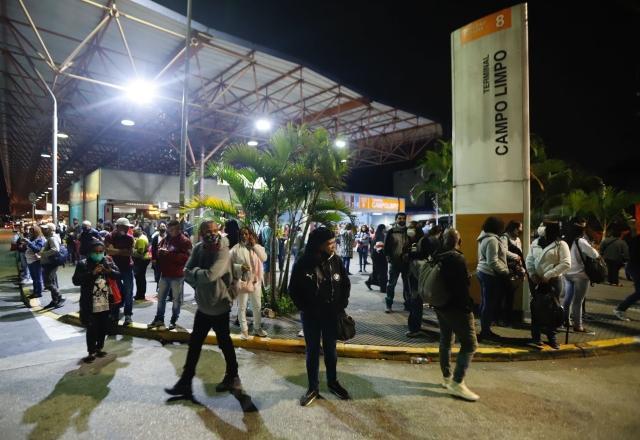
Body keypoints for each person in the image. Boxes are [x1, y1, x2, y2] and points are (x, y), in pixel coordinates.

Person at [165, 221, 241, 398]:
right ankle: (185, 381)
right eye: (208, 231)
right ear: (200, 232)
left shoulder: (223, 251)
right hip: (203, 305)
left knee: (225, 343)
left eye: (215, 230)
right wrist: (198, 276)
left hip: (220, 305)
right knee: (195, 344)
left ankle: (233, 376)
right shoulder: (199, 248)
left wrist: (196, 274)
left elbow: (211, 275)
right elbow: (186, 271)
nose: (212, 234)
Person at [289, 227, 351, 407]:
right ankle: (313, 388)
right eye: (329, 243)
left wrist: (341, 305)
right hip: (311, 317)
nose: (333, 246)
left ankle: (333, 383)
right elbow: (293, 290)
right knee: (313, 351)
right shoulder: (303, 262)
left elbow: (345, 284)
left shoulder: (336, 261)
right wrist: (306, 308)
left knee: (331, 351)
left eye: (334, 242)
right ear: (319, 245)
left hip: (332, 316)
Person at [433, 229, 479, 401]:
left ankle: (447, 377)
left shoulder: (438, 255)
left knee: (446, 339)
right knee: (470, 344)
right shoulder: (457, 258)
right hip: (456, 307)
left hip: (440, 304)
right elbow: (460, 288)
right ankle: (457, 382)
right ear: (458, 241)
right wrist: (468, 307)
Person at [73, 240, 120, 363]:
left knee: (103, 326)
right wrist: (92, 273)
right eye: (96, 252)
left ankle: (99, 348)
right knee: (92, 327)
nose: (99, 254)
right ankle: (91, 351)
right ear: (90, 252)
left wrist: (108, 271)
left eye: (101, 251)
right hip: (90, 301)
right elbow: (76, 280)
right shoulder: (83, 264)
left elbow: (118, 274)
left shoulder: (108, 261)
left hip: (105, 301)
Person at [525, 221, 571, 349]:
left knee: (552, 310)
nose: (541, 230)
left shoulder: (561, 245)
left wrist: (548, 275)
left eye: (544, 228)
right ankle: (536, 337)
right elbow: (529, 259)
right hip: (535, 281)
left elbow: (566, 263)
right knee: (536, 308)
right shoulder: (536, 243)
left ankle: (552, 337)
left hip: (553, 282)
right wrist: (533, 274)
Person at [148, 220, 192, 330]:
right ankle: (159, 319)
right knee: (161, 298)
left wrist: (170, 254)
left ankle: (173, 320)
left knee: (176, 300)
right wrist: (160, 253)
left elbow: (187, 259)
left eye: (172, 229)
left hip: (177, 275)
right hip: (165, 273)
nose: (170, 231)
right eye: (169, 229)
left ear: (178, 229)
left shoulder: (185, 241)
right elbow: (158, 249)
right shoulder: (166, 239)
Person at [230, 227, 268, 339]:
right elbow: (228, 264)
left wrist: (254, 245)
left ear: (251, 235)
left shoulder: (257, 247)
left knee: (257, 306)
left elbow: (264, 258)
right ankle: (244, 330)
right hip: (243, 282)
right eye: (242, 234)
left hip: (256, 281)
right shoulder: (236, 249)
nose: (244, 236)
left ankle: (257, 328)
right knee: (242, 307)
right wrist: (239, 267)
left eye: (246, 234)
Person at [476, 216, 510, 340]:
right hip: (489, 274)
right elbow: (492, 261)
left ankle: (484, 328)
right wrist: (505, 271)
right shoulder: (492, 240)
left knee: (485, 302)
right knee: (488, 304)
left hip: (483, 272)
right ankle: (485, 331)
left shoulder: (484, 238)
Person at [563, 218, 599, 332]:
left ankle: (565, 320)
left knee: (567, 299)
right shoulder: (581, 241)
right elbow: (595, 254)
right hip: (580, 275)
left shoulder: (565, 240)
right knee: (578, 301)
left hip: (567, 273)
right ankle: (578, 326)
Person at [406, 224, 440, 337]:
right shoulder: (414, 240)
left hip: (419, 274)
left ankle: (414, 329)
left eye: (412, 229)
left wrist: (409, 255)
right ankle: (415, 326)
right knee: (415, 300)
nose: (410, 231)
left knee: (415, 300)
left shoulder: (424, 240)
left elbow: (424, 254)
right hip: (416, 274)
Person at [105, 217, 135, 326]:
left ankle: (128, 315)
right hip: (113, 268)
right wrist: (123, 251)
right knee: (115, 291)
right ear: (117, 227)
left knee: (129, 292)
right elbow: (108, 251)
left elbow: (130, 253)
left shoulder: (129, 238)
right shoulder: (109, 236)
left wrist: (116, 251)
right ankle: (114, 313)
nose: (128, 229)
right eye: (125, 227)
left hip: (127, 267)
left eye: (128, 227)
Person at [500, 220, 525, 326]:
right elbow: (503, 252)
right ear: (514, 228)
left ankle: (508, 318)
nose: (520, 231)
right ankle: (505, 319)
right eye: (519, 228)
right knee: (507, 294)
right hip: (507, 269)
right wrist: (516, 257)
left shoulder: (518, 239)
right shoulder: (504, 238)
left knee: (511, 294)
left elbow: (520, 252)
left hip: (515, 269)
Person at [614, 233, 640, 320]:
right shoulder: (637, 239)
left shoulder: (636, 238)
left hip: (634, 266)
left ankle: (620, 308)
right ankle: (620, 309)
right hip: (636, 267)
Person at [40, 223, 66, 309]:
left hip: (50, 264)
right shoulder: (51, 237)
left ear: (50, 230)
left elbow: (55, 249)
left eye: (45, 229)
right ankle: (55, 300)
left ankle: (60, 297)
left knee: (48, 283)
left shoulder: (52, 238)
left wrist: (44, 254)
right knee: (53, 282)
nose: (43, 230)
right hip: (49, 263)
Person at [24, 225, 46, 300]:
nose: (30, 233)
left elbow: (37, 249)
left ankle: (38, 292)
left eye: (31, 232)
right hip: (30, 261)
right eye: (30, 232)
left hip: (36, 261)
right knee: (34, 278)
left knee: (37, 278)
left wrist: (29, 243)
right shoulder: (33, 238)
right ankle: (35, 291)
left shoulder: (40, 239)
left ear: (36, 232)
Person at [365, 225, 388, 292]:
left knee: (376, 270)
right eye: (384, 228)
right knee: (382, 272)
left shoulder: (376, 236)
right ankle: (383, 288)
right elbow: (380, 248)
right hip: (380, 256)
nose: (385, 230)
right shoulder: (381, 236)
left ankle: (369, 282)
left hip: (375, 256)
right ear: (382, 229)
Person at [132, 227, 151, 301]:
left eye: (134, 231)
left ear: (139, 231)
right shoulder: (143, 237)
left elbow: (140, 252)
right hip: (143, 260)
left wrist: (132, 252)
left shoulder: (141, 239)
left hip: (141, 260)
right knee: (141, 278)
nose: (133, 232)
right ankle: (140, 294)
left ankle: (140, 294)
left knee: (140, 278)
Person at [151, 222, 168, 288]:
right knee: (158, 275)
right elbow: (153, 249)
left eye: (164, 226)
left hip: (166, 259)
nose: (162, 228)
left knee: (166, 275)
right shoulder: (155, 238)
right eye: (161, 226)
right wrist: (153, 259)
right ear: (158, 228)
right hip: (158, 259)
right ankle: (158, 288)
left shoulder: (168, 237)